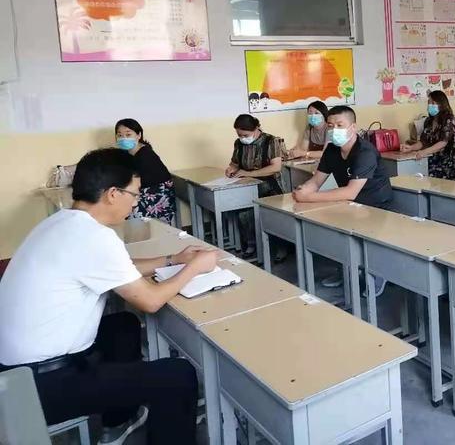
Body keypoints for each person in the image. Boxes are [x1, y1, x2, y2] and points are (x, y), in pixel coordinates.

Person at [0, 148, 220, 445]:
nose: (136, 202)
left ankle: (117, 421)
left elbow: (117, 269)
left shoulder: (62, 222)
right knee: (177, 376)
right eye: (135, 194)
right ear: (113, 194)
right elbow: (151, 301)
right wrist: (194, 267)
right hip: (33, 386)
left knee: (123, 326)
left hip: (18, 368)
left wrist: (174, 259)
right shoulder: (94, 237)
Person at [293, 105, 393, 295]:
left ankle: (377, 274)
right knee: (335, 233)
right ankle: (345, 271)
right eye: (331, 126)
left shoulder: (365, 152)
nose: (334, 130)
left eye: (340, 125)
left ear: (353, 127)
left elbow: (351, 192)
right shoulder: (332, 149)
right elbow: (316, 181)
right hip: (348, 204)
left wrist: (310, 197)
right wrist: (303, 191)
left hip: (375, 206)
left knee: (362, 240)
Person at [225, 114, 285, 257]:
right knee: (242, 212)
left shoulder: (271, 141)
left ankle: (281, 247)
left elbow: (276, 167)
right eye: (239, 135)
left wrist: (249, 173)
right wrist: (231, 169)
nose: (242, 138)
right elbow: (235, 163)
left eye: (245, 135)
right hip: (247, 186)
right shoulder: (239, 143)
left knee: (272, 216)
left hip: (269, 186)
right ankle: (252, 244)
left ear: (256, 128)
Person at [115, 118, 176, 225]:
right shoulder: (128, 153)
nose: (124, 138)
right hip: (142, 191)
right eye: (120, 135)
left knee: (127, 211)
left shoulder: (145, 154)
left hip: (156, 194)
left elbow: (136, 182)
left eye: (128, 134)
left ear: (139, 135)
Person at [400, 90, 455, 179]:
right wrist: (411, 148)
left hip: (447, 161)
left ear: (441, 104)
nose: (430, 105)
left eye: (433, 103)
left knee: (423, 173)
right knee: (415, 171)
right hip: (433, 158)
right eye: (429, 103)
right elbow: (423, 141)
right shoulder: (428, 121)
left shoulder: (449, 119)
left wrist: (424, 152)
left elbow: (443, 142)